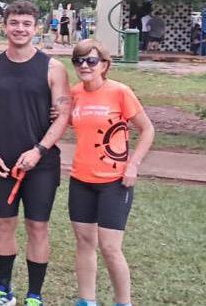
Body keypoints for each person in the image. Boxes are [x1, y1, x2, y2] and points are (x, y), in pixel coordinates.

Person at [0, 0, 71, 306]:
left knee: (37, 226)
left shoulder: (53, 68)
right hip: (1, 163)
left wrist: (39, 151)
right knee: (3, 224)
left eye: (26, 24)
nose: (20, 29)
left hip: (41, 165)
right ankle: (2, 290)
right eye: (14, 23)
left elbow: (63, 116)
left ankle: (34, 296)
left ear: (36, 27)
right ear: (5, 26)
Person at [66, 40, 155, 306]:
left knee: (110, 247)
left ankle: (123, 302)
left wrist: (133, 164)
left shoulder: (120, 92)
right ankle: (86, 300)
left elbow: (147, 130)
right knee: (84, 241)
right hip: (80, 178)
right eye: (79, 60)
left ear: (104, 64)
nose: (85, 66)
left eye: (91, 61)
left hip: (114, 182)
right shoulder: (74, 94)